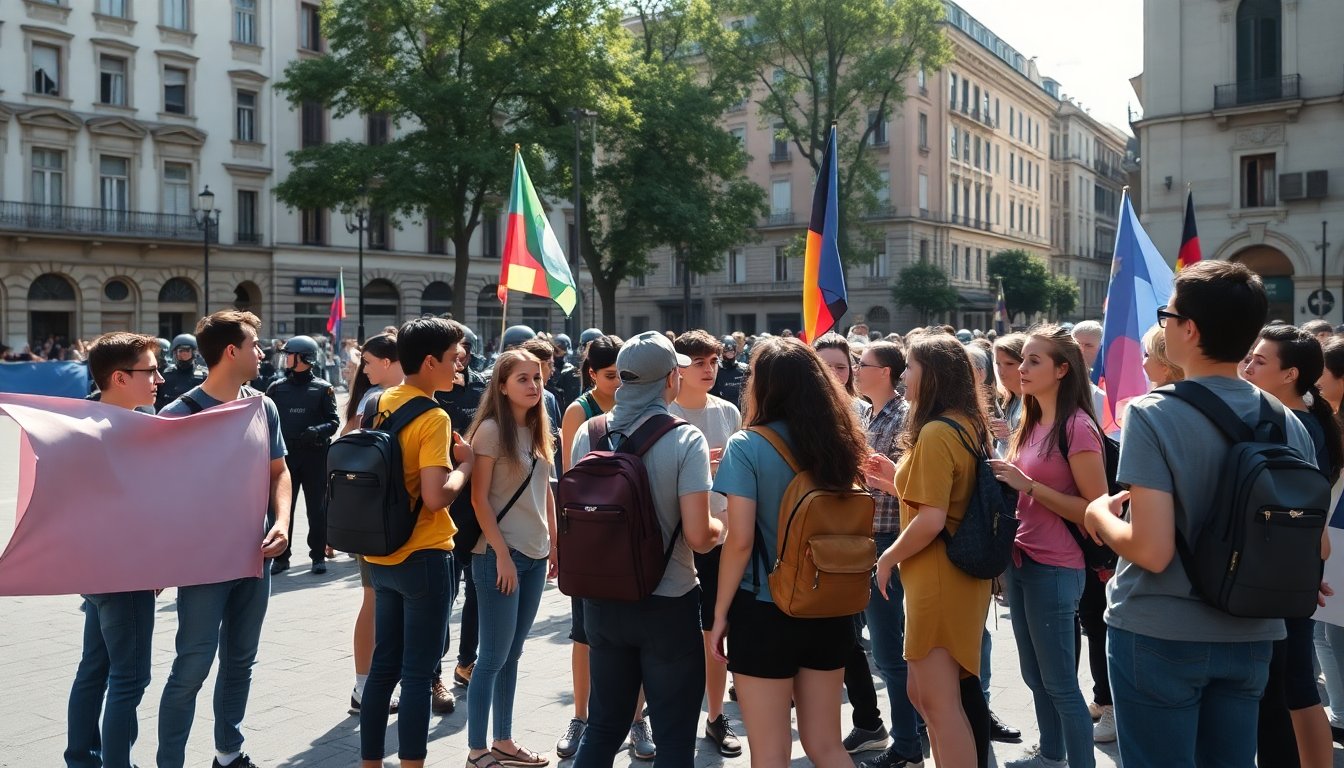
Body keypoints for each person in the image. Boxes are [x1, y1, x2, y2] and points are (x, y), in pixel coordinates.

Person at [1082, 260, 1315, 767]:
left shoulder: (1153, 412)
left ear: (1188, 329)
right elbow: (1311, 543)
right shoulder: (1287, 421)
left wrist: (1098, 515)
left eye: (1167, 316)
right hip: (1252, 632)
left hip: (1160, 629)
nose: (1164, 325)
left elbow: (1151, 550)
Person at [708, 337, 867, 768]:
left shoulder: (746, 445)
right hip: (828, 604)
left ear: (763, 386)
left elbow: (740, 540)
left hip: (764, 607)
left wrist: (720, 613)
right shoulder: (839, 441)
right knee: (827, 745)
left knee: (770, 752)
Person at [568, 331, 721, 768]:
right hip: (667, 600)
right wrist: (722, 526)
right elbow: (699, 536)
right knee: (674, 738)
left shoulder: (590, 432)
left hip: (602, 600)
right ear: (670, 378)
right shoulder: (685, 438)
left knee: (603, 728)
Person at [156, 311, 292, 768]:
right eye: (255, 345)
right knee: (192, 666)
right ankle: (170, 761)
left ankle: (229, 753)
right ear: (231, 352)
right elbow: (158, 496)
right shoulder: (178, 415)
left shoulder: (264, 406)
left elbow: (280, 472)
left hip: (256, 557)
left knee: (240, 662)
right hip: (203, 565)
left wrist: (283, 521)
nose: (262, 353)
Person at [866, 334, 993, 768]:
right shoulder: (964, 421)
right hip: (944, 575)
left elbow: (933, 518)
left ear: (933, 374)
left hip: (940, 575)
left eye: (911, 367)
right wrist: (896, 481)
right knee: (926, 696)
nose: (904, 376)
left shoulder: (939, 430)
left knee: (937, 703)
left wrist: (887, 558)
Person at [987, 327, 1107, 768]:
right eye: (1023, 359)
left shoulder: (1077, 426)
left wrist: (1029, 486)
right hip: (1021, 560)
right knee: (1034, 676)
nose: (1022, 368)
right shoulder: (1030, 420)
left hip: (1056, 566)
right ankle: (1052, 755)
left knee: (1060, 684)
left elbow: (1096, 509)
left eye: (1034, 361)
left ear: (1062, 370)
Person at [359, 317, 475, 768]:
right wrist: (465, 467)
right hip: (424, 553)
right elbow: (435, 495)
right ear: (430, 362)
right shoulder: (434, 415)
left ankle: (370, 762)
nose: (459, 367)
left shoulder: (378, 401)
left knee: (382, 667)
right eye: (454, 359)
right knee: (417, 674)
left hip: (381, 549)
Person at [1241, 324, 1342, 768]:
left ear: (1290, 374)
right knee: (1291, 684)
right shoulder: (1301, 419)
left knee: (1291, 686)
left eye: (1259, 360)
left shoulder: (1294, 426)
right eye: (1249, 357)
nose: (1247, 366)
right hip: (1293, 569)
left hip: (1285, 571)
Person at [64, 333, 164, 768]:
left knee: (94, 669)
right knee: (129, 678)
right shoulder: (120, 432)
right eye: (150, 371)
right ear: (120, 378)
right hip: (125, 570)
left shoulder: (84, 424)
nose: (159, 379)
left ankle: (83, 760)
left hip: (96, 569)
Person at [464, 350, 558, 768]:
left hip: (535, 554)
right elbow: (478, 499)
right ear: (502, 386)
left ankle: (503, 740)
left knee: (512, 655)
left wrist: (554, 543)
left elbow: (546, 488)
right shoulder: (489, 431)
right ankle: (476, 750)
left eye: (537, 377)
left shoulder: (538, 427)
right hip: (499, 555)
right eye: (523, 378)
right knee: (491, 659)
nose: (533, 386)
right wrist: (501, 554)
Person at [557, 335, 646, 761]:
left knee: (638, 636)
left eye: (625, 375)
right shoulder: (580, 412)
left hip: (634, 534)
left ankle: (638, 720)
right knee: (584, 634)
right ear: (592, 374)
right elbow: (569, 479)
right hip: (592, 535)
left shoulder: (641, 407)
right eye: (612, 376)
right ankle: (581, 716)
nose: (620, 384)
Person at [849, 340, 926, 768]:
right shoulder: (864, 412)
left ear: (885, 373)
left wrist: (883, 480)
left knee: (889, 653)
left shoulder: (906, 417)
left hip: (889, 543)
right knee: (886, 650)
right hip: (863, 540)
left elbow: (915, 488)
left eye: (862, 364)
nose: (856, 369)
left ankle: (908, 745)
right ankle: (911, 734)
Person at [669, 331, 743, 758]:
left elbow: (743, 477)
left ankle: (716, 717)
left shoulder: (728, 411)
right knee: (673, 637)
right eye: (699, 362)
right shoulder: (665, 413)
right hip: (677, 541)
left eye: (713, 361)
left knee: (716, 631)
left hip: (724, 538)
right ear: (677, 368)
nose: (709, 369)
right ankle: (656, 719)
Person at [342, 333, 405, 716]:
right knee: (376, 600)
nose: (361, 369)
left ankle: (370, 684)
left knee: (380, 600)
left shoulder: (378, 398)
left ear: (388, 361)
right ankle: (364, 685)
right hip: (381, 517)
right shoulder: (376, 400)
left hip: (377, 516)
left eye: (367, 362)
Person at [265, 335, 340, 575]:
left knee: (316, 508)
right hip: (286, 457)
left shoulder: (323, 388)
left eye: (290, 354)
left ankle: (317, 556)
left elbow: (333, 422)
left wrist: (317, 431)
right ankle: (281, 557)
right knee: (282, 509)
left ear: (304, 358)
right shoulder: (276, 388)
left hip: (314, 457)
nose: (286, 358)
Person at [155, 333, 206, 412]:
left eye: (187, 350)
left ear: (193, 352)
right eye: (181, 350)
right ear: (175, 352)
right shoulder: (166, 374)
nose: (184, 353)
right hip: (171, 415)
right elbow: (159, 400)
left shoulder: (203, 375)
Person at [710, 335, 748, 407]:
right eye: (727, 350)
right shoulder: (715, 370)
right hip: (722, 409)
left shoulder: (744, 369)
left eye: (732, 350)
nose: (730, 353)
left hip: (742, 409)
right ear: (721, 351)